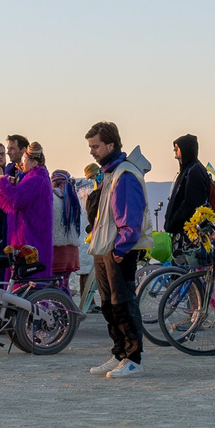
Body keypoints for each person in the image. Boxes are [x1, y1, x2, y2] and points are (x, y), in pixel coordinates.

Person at [82, 123, 150, 377]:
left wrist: (120, 249)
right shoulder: (109, 173)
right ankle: (120, 353)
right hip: (104, 247)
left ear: (110, 145)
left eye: (96, 146)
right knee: (109, 305)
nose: (92, 151)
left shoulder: (125, 174)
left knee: (123, 303)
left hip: (118, 249)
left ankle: (133, 358)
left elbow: (130, 217)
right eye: (91, 146)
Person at [0, 146, 51, 284]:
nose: (22, 163)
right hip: (30, 236)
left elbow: (15, 200)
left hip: (29, 239)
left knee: (25, 283)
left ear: (34, 163)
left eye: (25, 160)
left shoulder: (36, 179)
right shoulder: (36, 178)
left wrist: (0, 177)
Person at [165, 136, 215, 244]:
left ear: (186, 149)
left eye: (177, 147)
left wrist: (174, 222)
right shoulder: (189, 170)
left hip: (189, 236)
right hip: (185, 233)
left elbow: (191, 203)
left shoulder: (194, 170)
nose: (174, 150)